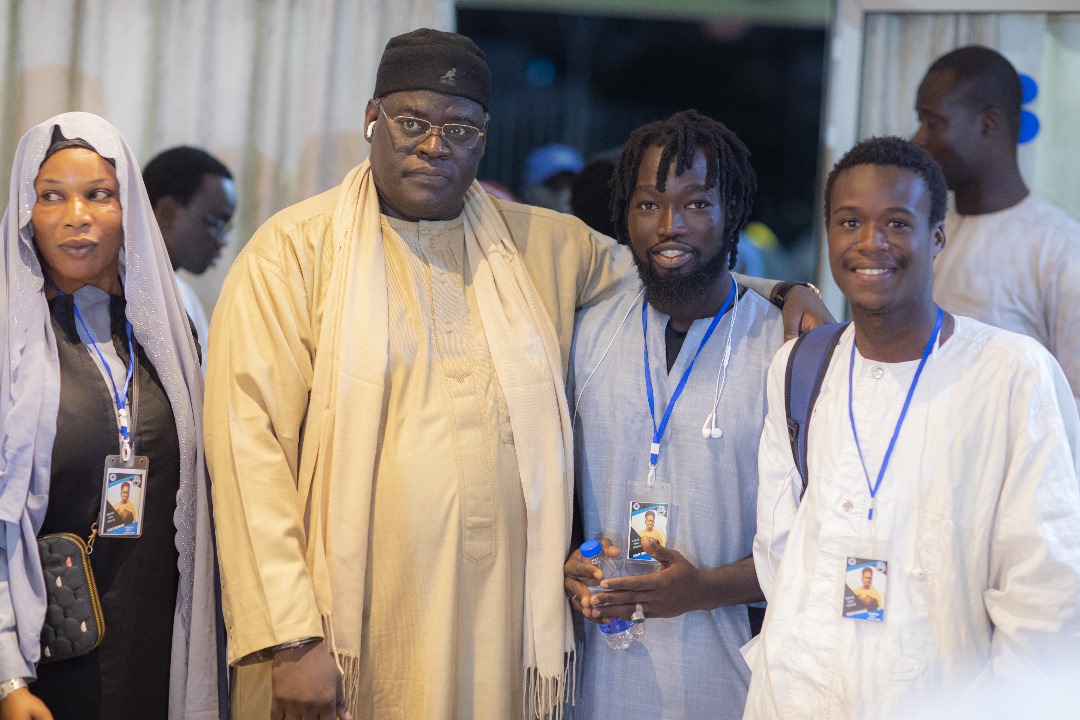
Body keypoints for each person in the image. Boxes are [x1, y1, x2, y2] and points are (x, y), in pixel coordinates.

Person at [205, 29, 829, 720]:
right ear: (370, 119)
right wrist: (292, 639)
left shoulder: (539, 243)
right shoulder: (292, 255)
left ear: (484, 137)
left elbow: (669, 266)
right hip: (348, 630)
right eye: (412, 123)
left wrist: (777, 292)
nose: (435, 145)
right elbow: (247, 454)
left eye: (461, 129)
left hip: (497, 633)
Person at [744, 136, 1080, 720]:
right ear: (829, 236)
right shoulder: (799, 365)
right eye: (850, 221)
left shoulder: (1012, 374)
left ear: (937, 238)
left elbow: (1047, 596)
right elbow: (778, 552)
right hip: (793, 694)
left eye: (897, 223)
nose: (871, 241)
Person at [0, 113, 225, 719]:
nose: (77, 214)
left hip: (160, 638)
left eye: (99, 194)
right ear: (26, 211)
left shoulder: (168, 340)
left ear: (130, 209)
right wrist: (5, 679)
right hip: (45, 657)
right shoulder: (10, 345)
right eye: (52, 196)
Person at [563, 110, 786, 720]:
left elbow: (815, 540)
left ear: (731, 212)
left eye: (696, 204)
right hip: (602, 672)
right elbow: (549, 491)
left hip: (731, 676)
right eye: (648, 204)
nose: (670, 226)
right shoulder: (587, 334)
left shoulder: (782, 348)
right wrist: (566, 563)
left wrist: (703, 590)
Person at [912, 45, 1080, 410]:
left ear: (988, 124)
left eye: (932, 122)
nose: (918, 139)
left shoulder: (1060, 248)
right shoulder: (923, 233)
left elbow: (1073, 404)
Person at [142, 146, 236, 357]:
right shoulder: (167, 295)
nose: (223, 241)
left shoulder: (177, 291)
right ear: (166, 212)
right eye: (215, 222)